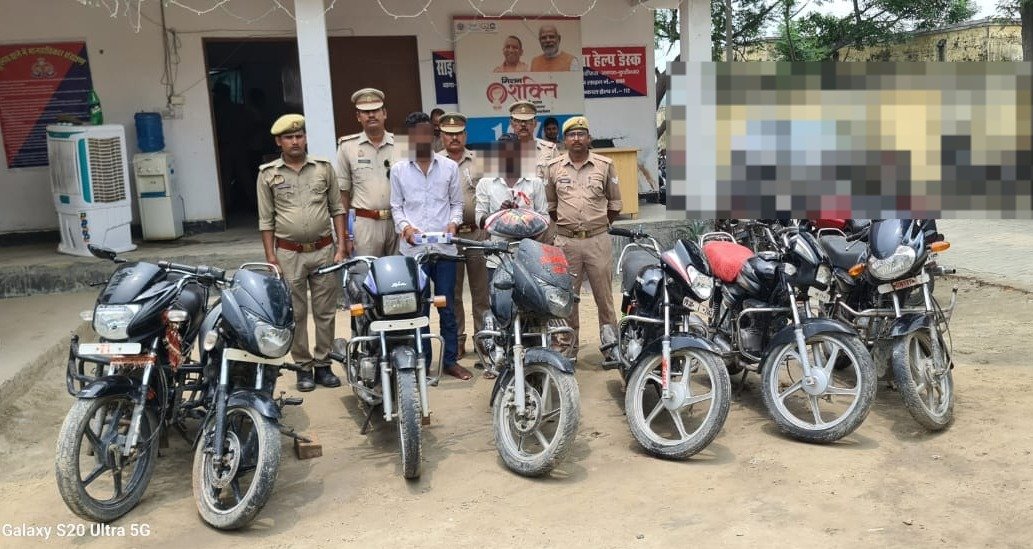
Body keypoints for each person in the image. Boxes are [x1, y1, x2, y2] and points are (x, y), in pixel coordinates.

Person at [257, 114, 348, 391]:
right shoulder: (268, 174)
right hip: (288, 254)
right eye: (289, 137)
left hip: (323, 250)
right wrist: (271, 257)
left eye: (299, 136)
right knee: (296, 313)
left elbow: (337, 209)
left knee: (325, 312)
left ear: (305, 138)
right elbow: (266, 220)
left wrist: (342, 246)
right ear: (279, 142)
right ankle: (303, 367)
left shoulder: (323, 168)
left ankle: (323, 364)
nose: (295, 141)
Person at [390, 112, 471, 381]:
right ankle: (422, 361)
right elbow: (396, 207)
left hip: (444, 249)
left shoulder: (448, 167)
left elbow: (457, 204)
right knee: (419, 308)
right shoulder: (399, 170)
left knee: (447, 305)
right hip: (414, 251)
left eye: (427, 133)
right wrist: (406, 229)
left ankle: (450, 361)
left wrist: (453, 224)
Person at [544, 116, 622, 364]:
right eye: (571, 135)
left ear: (589, 138)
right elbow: (551, 207)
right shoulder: (553, 168)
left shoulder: (605, 165)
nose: (576, 139)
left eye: (581, 134)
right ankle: (567, 348)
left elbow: (615, 204)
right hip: (566, 243)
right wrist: (570, 227)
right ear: (564, 140)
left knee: (604, 297)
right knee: (566, 297)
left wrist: (596, 225)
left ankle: (611, 346)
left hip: (597, 240)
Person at [439, 112, 488, 363]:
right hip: (449, 237)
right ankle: (457, 341)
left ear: (465, 135)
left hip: (477, 235)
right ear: (441, 136)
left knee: (482, 292)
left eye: (458, 133)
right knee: (452, 293)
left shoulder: (479, 161)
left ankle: (484, 340)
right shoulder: (435, 163)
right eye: (449, 134)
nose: (454, 138)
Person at [334, 87, 398, 259]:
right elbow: (342, 195)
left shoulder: (401, 144)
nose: (371, 115)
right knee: (365, 272)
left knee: (399, 274)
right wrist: (345, 236)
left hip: (397, 223)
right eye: (365, 112)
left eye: (375, 110)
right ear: (358, 116)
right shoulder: (347, 147)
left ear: (384, 113)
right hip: (365, 225)